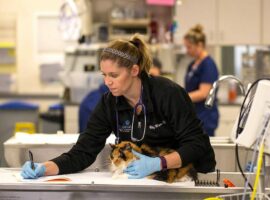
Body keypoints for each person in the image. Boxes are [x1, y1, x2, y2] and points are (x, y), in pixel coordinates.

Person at [21, 34, 216, 179]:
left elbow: (197, 145)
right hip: (146, 181)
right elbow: (83, 151)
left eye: (114, 75)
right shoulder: (110, 103)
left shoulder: (168, 94)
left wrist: (158, 163)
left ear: (134, 70)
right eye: (104, 75)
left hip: (185, 179)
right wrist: (44, 168)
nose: (107, 82)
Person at [183, 24, 219, 137]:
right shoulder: (192, 65)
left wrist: (180, 98)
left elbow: (203, 93)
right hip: (194, 116)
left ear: (200, 45)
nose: (187, 51)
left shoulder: (208, 65)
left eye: (189, 47)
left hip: (205, 116)